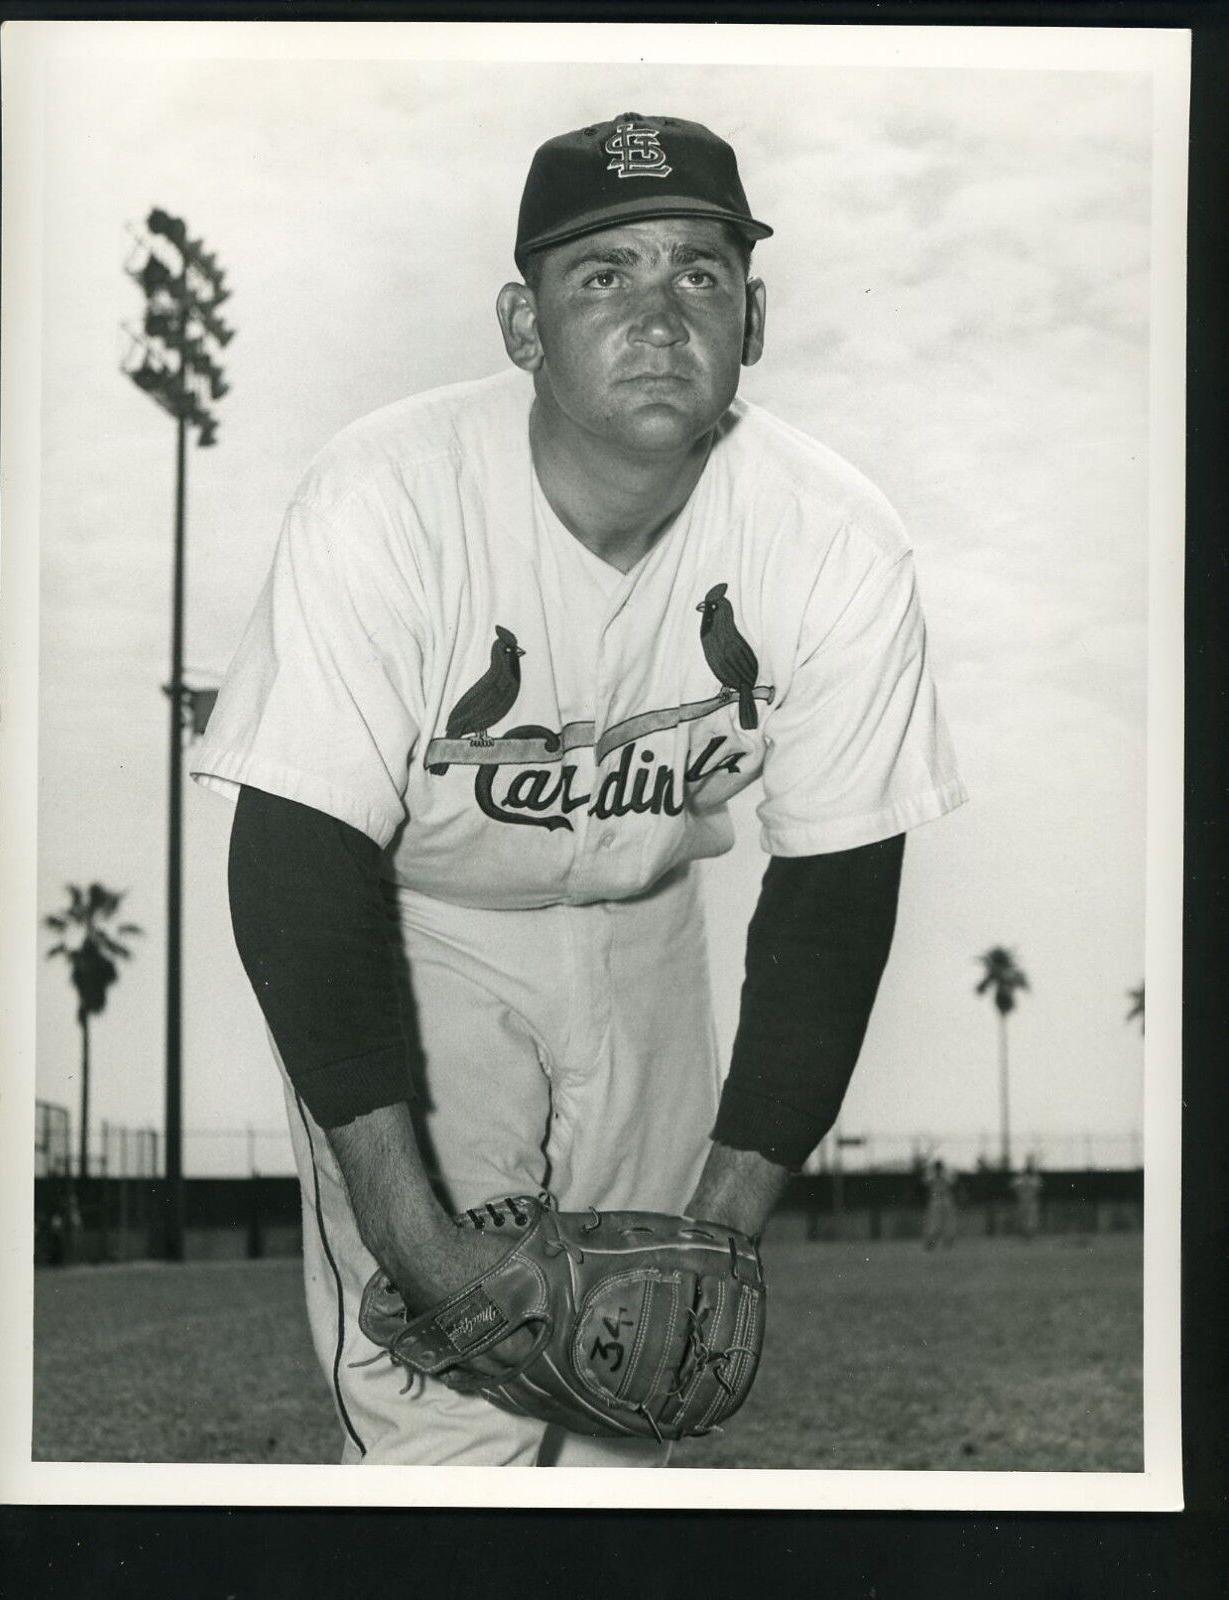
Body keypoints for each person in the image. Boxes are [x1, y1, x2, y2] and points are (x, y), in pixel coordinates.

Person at [192, 110, 966, 1467]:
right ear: (519, 320)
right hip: (416, 928)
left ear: (755, 316)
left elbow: (833, 903)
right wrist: (414, 1236)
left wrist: (716, 1228)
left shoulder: (832, 540)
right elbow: (296, 861)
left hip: (644, 929)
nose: (660, 315)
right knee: (437, 1414)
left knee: (635, 1388)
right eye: (602, 275)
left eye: (699, 273)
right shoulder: (387, 497)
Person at [923, 1158, 958, 1249]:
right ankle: (931, 1242)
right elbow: (925, 1181)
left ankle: (947, 1242)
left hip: (945, 1199)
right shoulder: (931, 1175)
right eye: (937, 1167)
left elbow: (952, 1181)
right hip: (936, 1199)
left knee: (947, 1222)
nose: (938, 1169)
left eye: (939, 1167)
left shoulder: (946, 1174)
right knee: (934, 1223)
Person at [1011, 1155, 1044, 1240]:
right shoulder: (1032, 1180)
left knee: (1029, 1219)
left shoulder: (1021, 1180)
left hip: (1027, 1201)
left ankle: (1028, 1235)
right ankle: (1027, 1235)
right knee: (1027, 1219)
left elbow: (1013, 1185)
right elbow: (1039, 1187)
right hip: (1027, 1201)